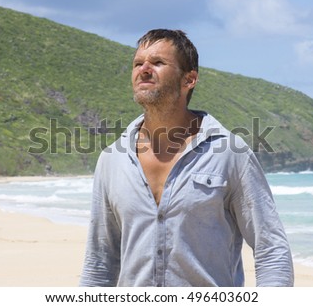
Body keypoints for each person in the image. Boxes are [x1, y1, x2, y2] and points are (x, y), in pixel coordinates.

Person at [80, 29, 294, 287]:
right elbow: (100, 262)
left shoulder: (229, 153)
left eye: (158, 63)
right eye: (138, 63)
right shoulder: (112, 160)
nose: (144, 69)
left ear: (189, 79)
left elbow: (271, 250)